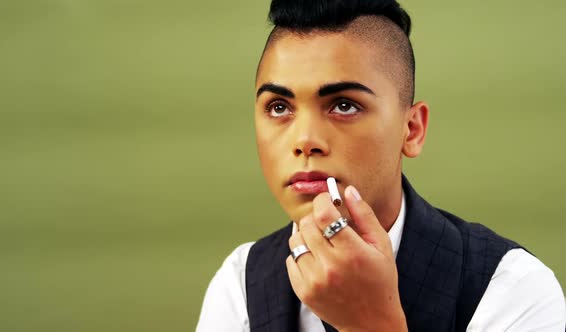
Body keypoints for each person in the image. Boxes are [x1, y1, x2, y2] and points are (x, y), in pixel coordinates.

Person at [196, 0, 566, 331]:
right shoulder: (242, 284)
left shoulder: (511, 288)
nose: (304, 139)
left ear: (412, 129)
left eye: (343, 105)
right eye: (279, 107)